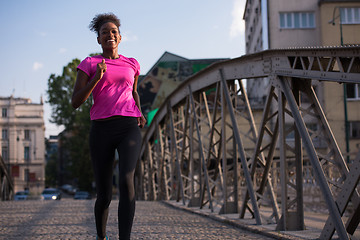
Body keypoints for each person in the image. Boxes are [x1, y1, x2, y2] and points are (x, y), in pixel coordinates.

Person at [71, 13, 146, 240]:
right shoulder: (90, 63)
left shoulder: (132, 63)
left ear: (120, 38)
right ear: (98, 39)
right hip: (101, 129)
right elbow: (76, 102)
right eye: (105, 32)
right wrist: (96, 78)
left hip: (128, 127)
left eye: (114, 32)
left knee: (126, 181)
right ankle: (101, 237)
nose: (109, 35)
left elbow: (133, 91)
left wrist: (140, 111)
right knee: (104, 194)